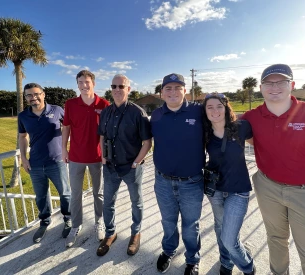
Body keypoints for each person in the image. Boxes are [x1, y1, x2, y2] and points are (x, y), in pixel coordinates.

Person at [241, 64, 305, 275]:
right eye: (268, 82)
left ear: (292, 85)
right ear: (261, 87)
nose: (274, 87)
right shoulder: (251, 117)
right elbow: (222, 124)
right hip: (268, 187)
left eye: (281, 82)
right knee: (275, 239)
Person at [151, 73, 205, 275]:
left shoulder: (199, 112)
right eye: (168, 88)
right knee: (168, 221)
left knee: (191, 225)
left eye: (177, 87)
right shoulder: (156, 116)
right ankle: (169, 250)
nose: (173, 92)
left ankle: (192, 259)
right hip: (163, 181)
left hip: (191, 181)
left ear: (185, 91)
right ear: (162, 93)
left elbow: (221, 122)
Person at [96, 74, 152, 257]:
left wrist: (137, 162)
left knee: (136, 201)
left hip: (131, 167)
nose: (117, 90)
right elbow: (102, 136)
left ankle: (136, 233)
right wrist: (103, 157)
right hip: (110, 166)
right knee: (108, 203)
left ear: (129, 89)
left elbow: (147, 142)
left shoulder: (138, 113)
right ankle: (110, 233)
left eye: (121, 86)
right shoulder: (106, 111)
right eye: (114, 86)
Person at [202, 93, 255, 275]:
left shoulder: (241, 127)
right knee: (220, 227)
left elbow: (262, 144)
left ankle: (247, 266)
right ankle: (226, 262)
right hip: (215, 190)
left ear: (226, 108)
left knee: (229, 238)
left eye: (219, 106)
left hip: (238, 190)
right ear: (205, 111)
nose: (215, 110)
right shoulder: (205, 132)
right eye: (210, 107)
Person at [18, 83, 71, 243]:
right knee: (41, 197)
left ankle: (68, 219)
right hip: (35, 163)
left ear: (43, 94)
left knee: (65, 194)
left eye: (36, 94)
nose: (33, 98)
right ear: (26, 98)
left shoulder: (57, 110)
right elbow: (22, 137)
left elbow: (69, 127)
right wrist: (24, 159)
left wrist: (67, 148)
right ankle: (45, 222)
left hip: (56, 161)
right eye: (29, 95)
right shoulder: (23, 116)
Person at [62, 70, 110, 248]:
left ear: (93, 83)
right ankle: (76, 225)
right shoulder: (70, 104)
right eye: (80, 82)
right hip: (75, 157)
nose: (84, 85)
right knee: (75, 194)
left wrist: (105, 154)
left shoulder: (104, 104)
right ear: (77, 84)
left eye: (87, 82)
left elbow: (107, 133)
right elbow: (66, 127)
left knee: (99, 193)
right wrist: (64, 150)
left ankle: (99, 222)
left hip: (97, 157)